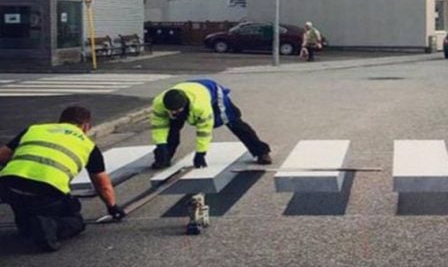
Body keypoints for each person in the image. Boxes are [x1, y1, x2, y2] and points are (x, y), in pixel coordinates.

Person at [0, 106, 126, 252]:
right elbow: (102, 185)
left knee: (25, 215)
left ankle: (29, 224)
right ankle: (51, 226)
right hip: (48, 192)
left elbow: (3, 155)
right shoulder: (88, 145)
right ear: (86, 126)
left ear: (60, 121)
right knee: (75, 220)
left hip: (8, 187)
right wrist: (112, 207)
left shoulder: (34, 129)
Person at [150, 79, 272, 169]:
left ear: (184, 105)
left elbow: (204, 130)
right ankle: (164, 158)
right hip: (188, 89)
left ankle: (261, 152)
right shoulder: (159, 104)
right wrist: (161, 145)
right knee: (172, 128)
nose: (173, 113)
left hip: (211, 91)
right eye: (171, 111)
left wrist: (200, 153)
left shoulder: (200, 106)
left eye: (177, 110)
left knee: (233, 123)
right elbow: (159, 126)